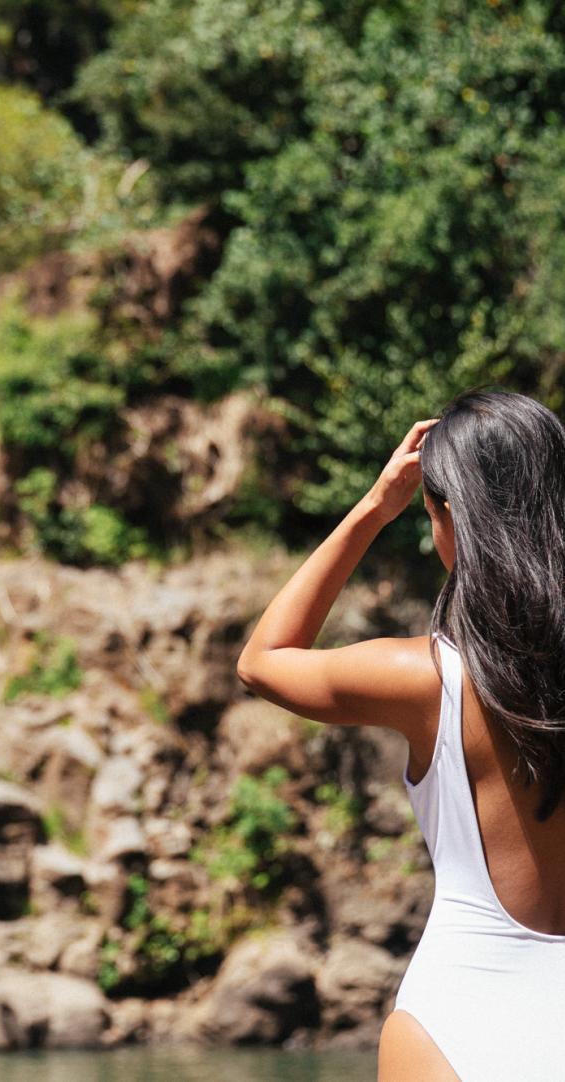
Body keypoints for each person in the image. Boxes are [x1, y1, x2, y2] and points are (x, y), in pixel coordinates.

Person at [236, 389, 565, 1082]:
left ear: (446, 517)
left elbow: (262, 661)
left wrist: (372, 508)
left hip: (456, 1019)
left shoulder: (427, 681)